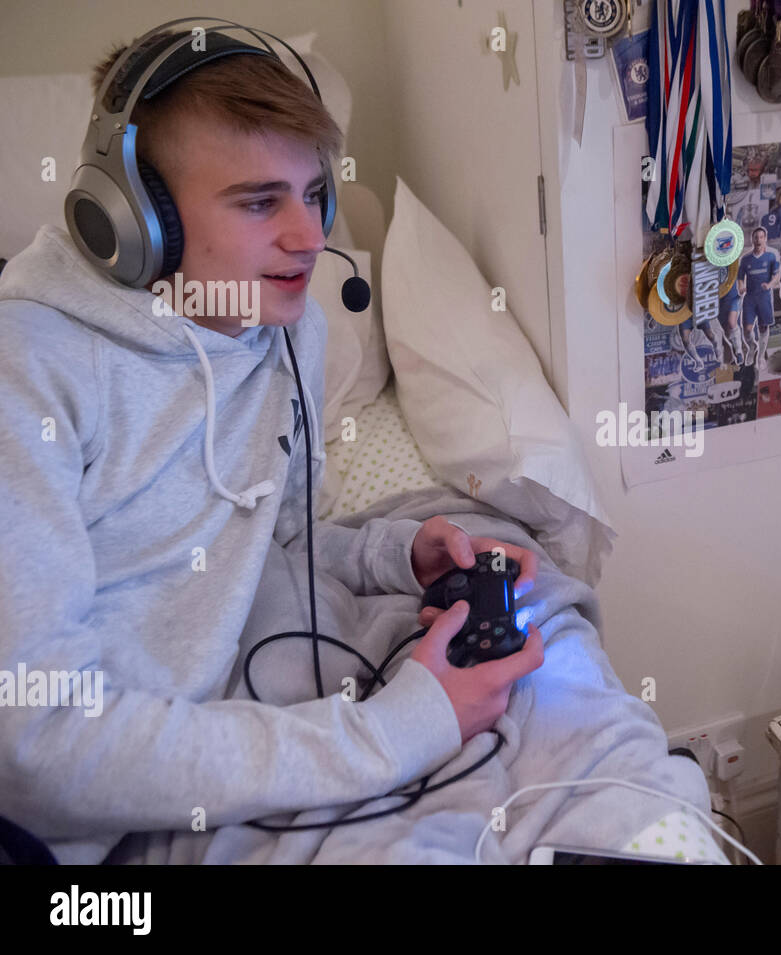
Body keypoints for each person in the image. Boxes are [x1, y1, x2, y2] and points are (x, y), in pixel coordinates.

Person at [0, 29, 546, 863]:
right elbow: (34, 747)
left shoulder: (290, 329)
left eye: (314, 192)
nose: (308, 236)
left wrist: (397, 557)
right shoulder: (29, 373)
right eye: (260, 201)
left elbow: (270, 537)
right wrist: (392, 731)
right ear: (134, 217)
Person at [736, 226, 780, 370]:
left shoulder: (771, 256)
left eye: (761, 237)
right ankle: (751, 347)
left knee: (763, 327)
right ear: (752, 239)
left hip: (764, 297)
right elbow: (740, 277)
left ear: (765, 239)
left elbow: (777, 275)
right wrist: (741, 287)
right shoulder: (746, 258)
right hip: (749, 298)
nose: (758, 239)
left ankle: (760, 357)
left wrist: (770, 284)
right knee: (747, 329)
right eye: (756, 237)